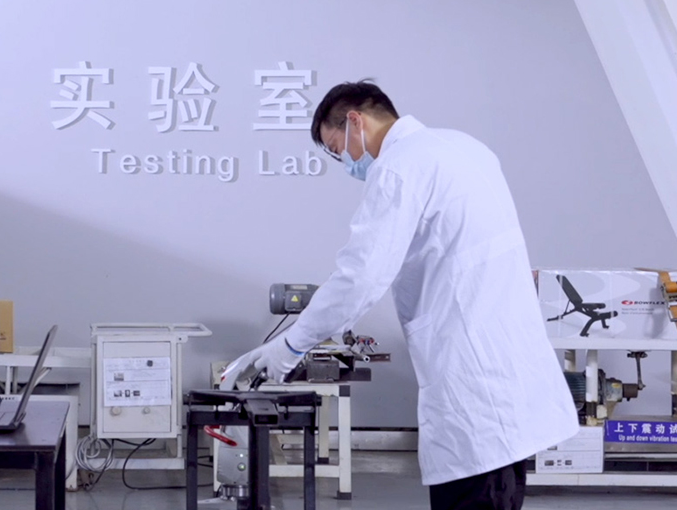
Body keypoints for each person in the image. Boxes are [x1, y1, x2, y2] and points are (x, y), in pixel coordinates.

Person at [222, 81, 578, 510]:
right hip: (509, 366)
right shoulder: (466, 148)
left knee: (474, 495)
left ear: (355, 121)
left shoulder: (399, 167)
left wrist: (292, 343)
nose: (346, 162)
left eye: (338, 150)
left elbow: (360, 277)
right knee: (499, 491)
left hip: (472, 379)